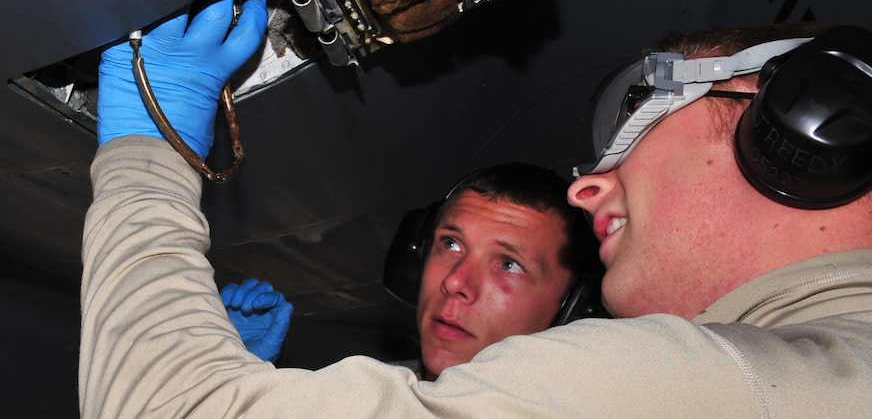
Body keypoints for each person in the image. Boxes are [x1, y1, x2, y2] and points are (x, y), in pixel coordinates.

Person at [81, 0, 872, 417]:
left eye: (643, 117)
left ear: (806, 126)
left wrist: (149, 149)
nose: (591, 183)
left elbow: (167, 406)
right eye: (451, 244)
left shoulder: (708, 383)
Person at [223, 163, 605, 377]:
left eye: (508, 264)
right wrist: (232, 367)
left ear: (571, 311)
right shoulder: (361, 396)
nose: (455, 282)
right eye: (450, 244)